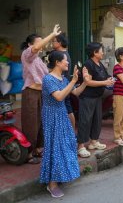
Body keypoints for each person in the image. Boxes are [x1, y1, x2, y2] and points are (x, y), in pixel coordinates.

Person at [40, 51, 91, 198]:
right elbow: (59, 96)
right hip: (51, 116)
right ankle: (52, 183)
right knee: (55, 147)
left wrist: (85, 82)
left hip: (61, 113)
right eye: (65, 61)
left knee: (66, 144)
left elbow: (75, 93)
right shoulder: (48, 79)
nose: (68, 63)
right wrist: (73, 81)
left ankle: (59, 175)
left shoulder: (62, 78)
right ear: (57, 62)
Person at [20, 24, 61, 164]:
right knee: (31, 123)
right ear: (29, 45)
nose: (41, 44)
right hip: (31, 93)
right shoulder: (27, 54)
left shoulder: (38, 59)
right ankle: (27, 153)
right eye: (38, 42)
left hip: (41, 93)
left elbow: (46, 75)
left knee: (41, 123)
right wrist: (52, 34)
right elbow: (36, 48)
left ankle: (37, 148)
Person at [77, 42, 115, 158]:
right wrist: (105, 82)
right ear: (95, 52)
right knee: (85, 120)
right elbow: (88, 81)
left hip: (98, 96)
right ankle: (81, 146)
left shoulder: (99, 64)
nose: (103, 52)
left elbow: (106, 76)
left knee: (97, 119)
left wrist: (110, 79)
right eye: (101, 50)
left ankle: (94, 141)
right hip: (87, 97)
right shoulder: (88, 64)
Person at [51, 33, 75, 130]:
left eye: (54, 41)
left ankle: (71, 132)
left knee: (67, 109)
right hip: (66, 85)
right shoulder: (66, 54)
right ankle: (72, 132)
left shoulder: (59, 55)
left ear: (59, 43)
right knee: (68, 109)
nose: (52, 43)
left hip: (61, 86)